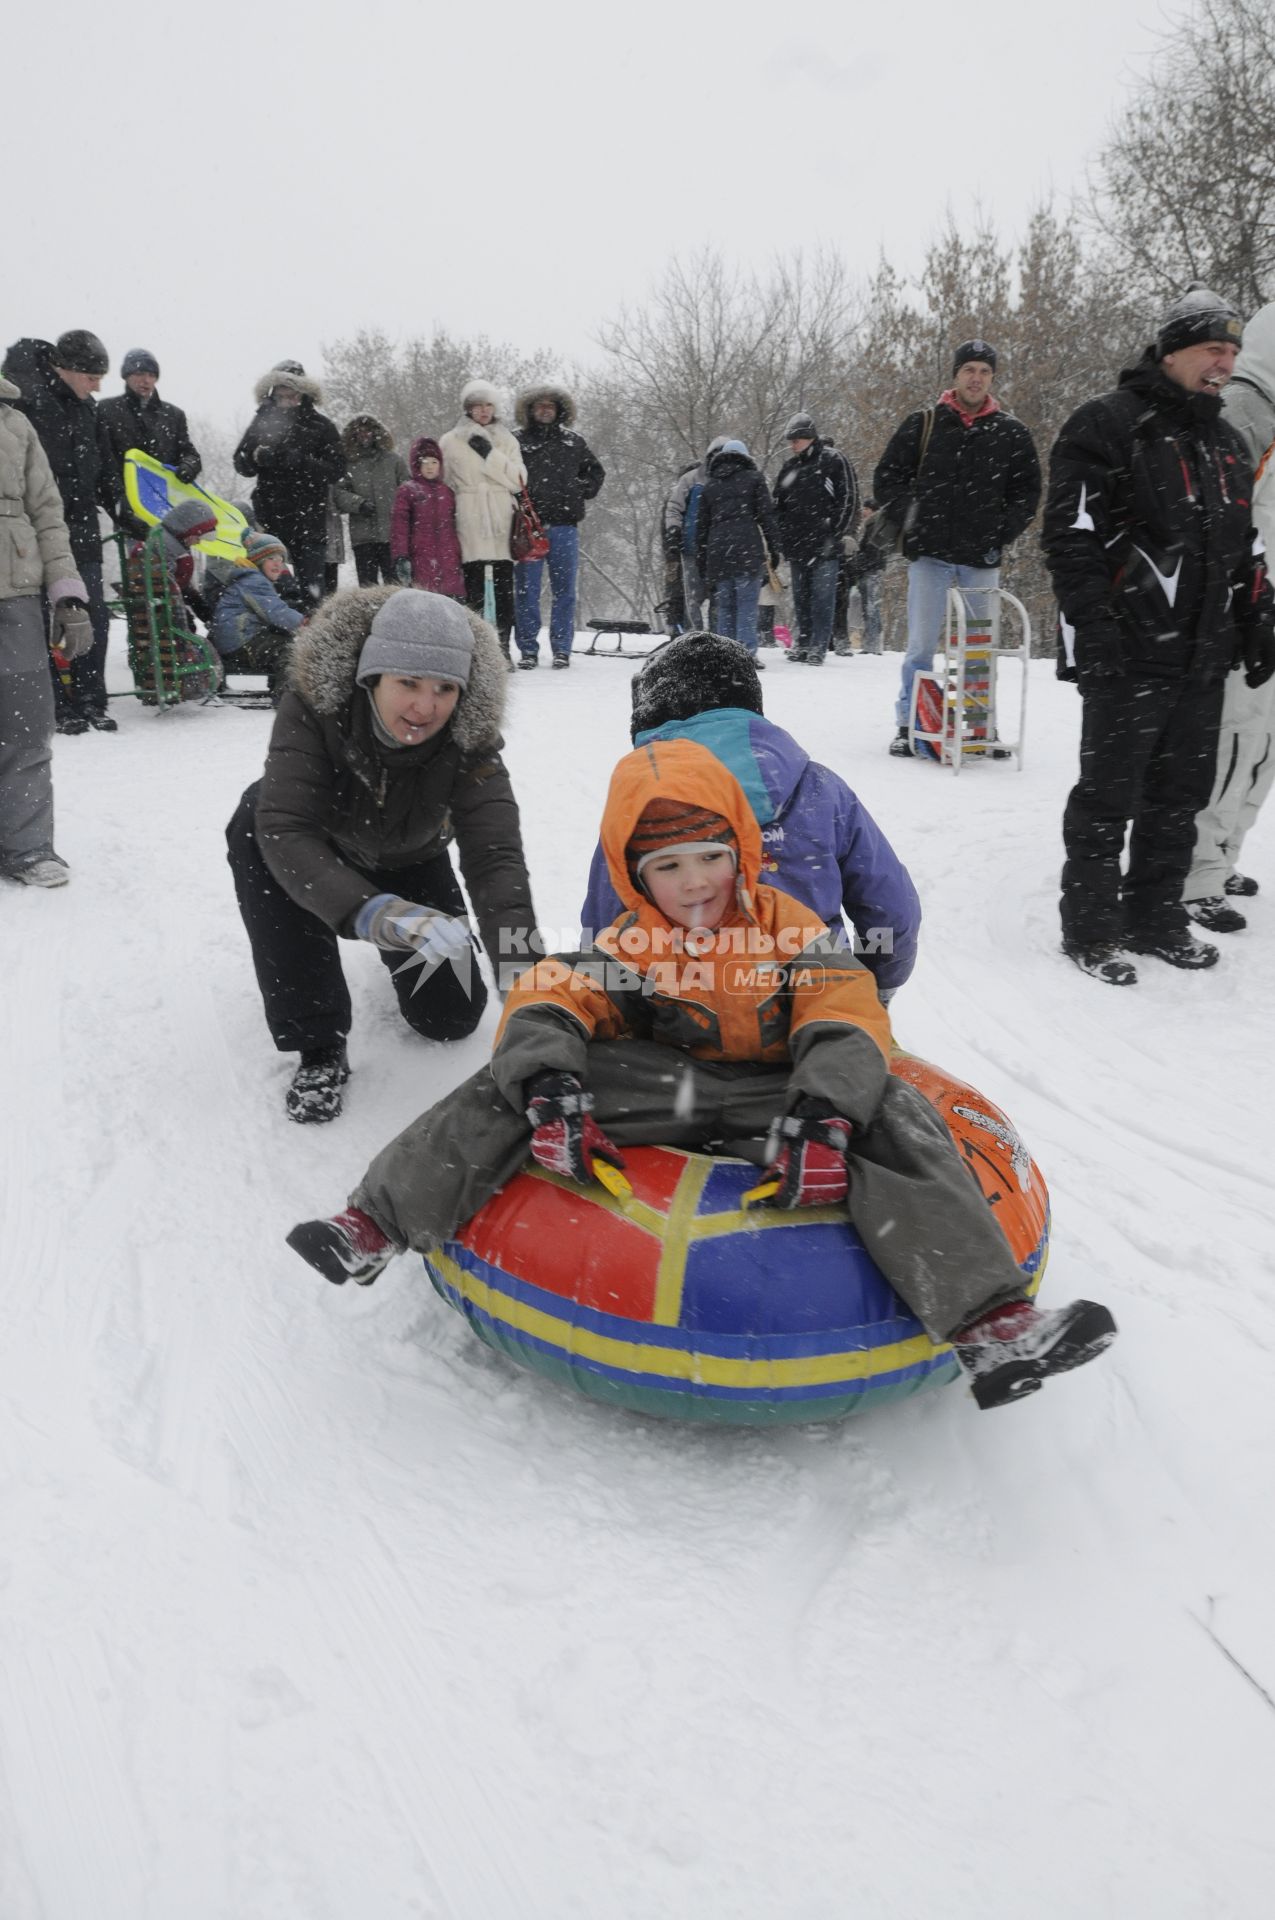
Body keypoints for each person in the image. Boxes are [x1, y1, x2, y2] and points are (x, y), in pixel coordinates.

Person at [287, 737, 1116, 1413]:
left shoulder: (786, 928)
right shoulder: (629, 942)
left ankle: (991, 1326)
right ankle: (378, 1225)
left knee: (895, 1113)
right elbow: (555, 991)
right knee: (501, 1085)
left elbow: (843, 1005)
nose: (693, 883)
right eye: (666, 868)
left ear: (739, 853)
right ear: (634, 877)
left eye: (708, 858)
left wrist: (827, 1111)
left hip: (776, 1090)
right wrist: (549, 1087)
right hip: (665, 1087)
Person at [225, 587, 536, 1122]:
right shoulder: (314, 706)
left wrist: (526, 979)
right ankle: (318, 1040)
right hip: (315, 846)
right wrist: (370, 912)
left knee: (450, 1018)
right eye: (407, 684)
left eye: (444, 688)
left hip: (412, 856)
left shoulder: (469, 737)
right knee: (256, 828)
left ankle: (411, 949)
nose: (425, 706)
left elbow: (495, 857)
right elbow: (288, 825)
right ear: (371, 677)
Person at [1044, 286, 1275, 984]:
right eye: (1212, 349)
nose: (1223, 363)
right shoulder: (1106, 425)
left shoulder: (1225, 444)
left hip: (1202, 658)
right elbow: (1070, 538)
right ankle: (1090, 929)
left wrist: (1257, 618)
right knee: (1107, 796)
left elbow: (1242, 549)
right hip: (1127, 650)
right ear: (1171, 350)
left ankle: (1154, 916)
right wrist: (1093, 626)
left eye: (1232, 352)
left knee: (1178, 797)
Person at [579, 632, 921, 999]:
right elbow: (890, 906)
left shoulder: (642, 806)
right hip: (814, 1002)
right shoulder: (819, 788)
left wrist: (613, 1001)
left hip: (684, 1013)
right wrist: (875, 987)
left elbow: (606, 922)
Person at [875, 342, 1041, 752]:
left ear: (992, 378)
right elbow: (887, 477)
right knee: (921, 646)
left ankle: (978, 725)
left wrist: (1001, 531)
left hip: (980, 557)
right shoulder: (924, 423)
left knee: (978, 648)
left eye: (984, 371)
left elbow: (1027, 493)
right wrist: (911, 519)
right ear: (955, 374)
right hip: (928, 554)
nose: (976, 378)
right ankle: (911, 723)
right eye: (969, 369)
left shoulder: (1010, 432)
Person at [1183, 299, 1275, 932]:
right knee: (1236, 739)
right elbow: (1228, 520)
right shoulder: (1245, 411)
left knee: (1263, 747)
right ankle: (1197, 872)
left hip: (1268, 601)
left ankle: (1225, 852)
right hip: (1249, 605)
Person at [0, 372, 93, 886]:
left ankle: (27, 846)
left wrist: (67, 592)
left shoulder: (16, 424)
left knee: (25, 723)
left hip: (14, 591)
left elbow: (48, 515)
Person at [2, 331, 117, 734]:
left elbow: (103, 467)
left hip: (81, 527)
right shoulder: (28, 403)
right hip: (35, 530)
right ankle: (57, 703)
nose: (98, 386)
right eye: (92, 376)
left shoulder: (88, 411)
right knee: (41, 619)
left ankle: (90, 698)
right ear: (65, 369)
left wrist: (119, 505)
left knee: (92, 615)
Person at [232, 362, 346, 603]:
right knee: (275, 590)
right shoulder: (261, 422)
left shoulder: (321, 425)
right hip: (271, 516)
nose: (286, 397)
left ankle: (312, 634)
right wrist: (256, 457)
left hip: (310, 517)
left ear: (303, 392)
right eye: (281, 391)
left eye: (292, 391)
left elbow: (337, 469)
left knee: (313, 591)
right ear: (273, 390)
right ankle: (278, 637)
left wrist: (303, 462)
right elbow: (241, 462)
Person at [512, 383, 605, 669]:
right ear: (530, 410)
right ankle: (528, 649)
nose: (545, 410)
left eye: (550, 405)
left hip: (565, 526)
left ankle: (562, 648)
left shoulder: (573, 443)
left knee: (564, 591)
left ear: (559, 410)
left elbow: (595, 473)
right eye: (539, 405)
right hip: (530, 527)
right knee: (526, 590)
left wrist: (579, 489)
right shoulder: (516, 442)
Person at [440, 380, 526, 664]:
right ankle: (475, 650)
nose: (484, 411)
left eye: (489, 405)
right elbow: (446, 482)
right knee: (473, 586)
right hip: (469, 514)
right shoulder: (450, 440)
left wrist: (489, 454)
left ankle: (503, 647)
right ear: (468, 408)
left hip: (501, 514)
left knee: (504, 589)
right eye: (478, 405)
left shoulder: (507, 440)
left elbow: (519, 480)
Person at [773, 412, 858, 665]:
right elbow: (779, 504)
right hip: (797, 545)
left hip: (825, 545)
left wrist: (836, 533)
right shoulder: (790, 467)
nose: (792, 444)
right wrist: (782, 537)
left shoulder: (833, 460)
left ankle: (818, 646)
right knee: (801, 599)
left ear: (808, 437)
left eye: (796, 439)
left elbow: (848, 498)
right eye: (791, 440)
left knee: (823, 598)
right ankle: (803, 641)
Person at [96, 348, 201, 534]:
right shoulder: (106, 411)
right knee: (139, 560)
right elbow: (105, 464)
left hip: (168, 508)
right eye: (139, 373)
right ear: (126, 376)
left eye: (151, 375)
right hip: (130, 511)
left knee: (175, 561)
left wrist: (189, 465)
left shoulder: (173, 415)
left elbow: (189, 453)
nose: (146, 380)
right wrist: (120, 502)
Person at [694, 440, 782, 658]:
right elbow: (767, 516)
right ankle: (745, 654)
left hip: (718, 554)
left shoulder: (710, 486)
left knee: (725, 607)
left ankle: (725, 654)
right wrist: (775, 547)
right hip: (746, 550)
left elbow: (701, 527)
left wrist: (702, 561)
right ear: (746, 457)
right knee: (747, 605)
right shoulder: (754, 479)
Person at [210, 531, 307, 697]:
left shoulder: (250, 578)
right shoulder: (254, 581)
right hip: (239, 641)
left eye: (281, 559)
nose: (278, 564)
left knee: (280, 641)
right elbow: (276, 612)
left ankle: (281, 685)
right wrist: (304, 623)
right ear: (258, 560)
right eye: (271, 558)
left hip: (235, 637)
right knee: (288, 650)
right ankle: (287, 696)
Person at [336, 416, 409, 585]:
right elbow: (339, 493)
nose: (364, 435)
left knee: (395, 588)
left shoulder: (394, 461)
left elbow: (407, 491)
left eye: (368, 430)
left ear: (376, 432)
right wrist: (358, 503)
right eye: (359, 431)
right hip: (363, 538)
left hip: (392, 536)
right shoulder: (348, 464)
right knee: (368, 591)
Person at [664, 438, 727, 630]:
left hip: (719, 550)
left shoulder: (729, 482)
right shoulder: (690, 479)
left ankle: (716, 639)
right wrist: (674, 531)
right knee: (693, 598)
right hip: (691, 547)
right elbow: (674, 507)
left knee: (719, 600)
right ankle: (694, 636)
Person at [390, 437, 465, 598]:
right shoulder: (408, 490)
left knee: (450, 603)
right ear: (417, 465)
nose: (430, 467)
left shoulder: (448, 492)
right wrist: (401, 556)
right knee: (424, 600)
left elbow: (457, 526)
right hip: (421, 556)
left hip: (449, 558)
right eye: (424, 462)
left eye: (434, 462)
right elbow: (400, 526)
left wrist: (461, 554)